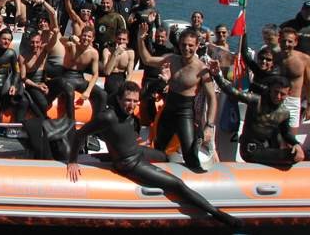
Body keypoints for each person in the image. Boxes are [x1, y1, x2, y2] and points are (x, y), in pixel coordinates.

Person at [66, 80, 242, 228]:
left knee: (165, 156)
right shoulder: (108, 117)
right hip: (130, 163)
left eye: (135, 101)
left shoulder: (129, 110)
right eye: (127, 101)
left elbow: (148, 92)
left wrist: (163, 81)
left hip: (137, 151)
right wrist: (72, 161)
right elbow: (80, 134)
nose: (131, 105)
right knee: (177, 184)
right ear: (118, 99)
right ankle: (219, 215)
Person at [137, 24, 217, 171]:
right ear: (179, 45)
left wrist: (209, 126)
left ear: (197, 46)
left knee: (190, 154)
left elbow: (212, 98)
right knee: (159, 146)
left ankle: (194, 176)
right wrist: (140, 39)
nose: (186, 48)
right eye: (184, 45)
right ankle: (156, 174)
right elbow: (147, 59)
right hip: (168, 109)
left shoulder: (201, 69)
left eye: (190, 45)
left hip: (185, 112)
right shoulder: (172, 59)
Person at [209, 62, 305, 167]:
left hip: (266, 148)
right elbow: (232, 92)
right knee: (290, 156)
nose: (278, 96)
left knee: (298, 153)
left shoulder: (284, 113)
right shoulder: (256, 101)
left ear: (288, 94)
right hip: (250, 149)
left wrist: (296, 144)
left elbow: (286, 134)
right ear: (270, 90)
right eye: (275, 92)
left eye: (282, 94)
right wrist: (217, 75)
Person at [275, 28, 310, 126]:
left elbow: (309, 84)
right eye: (283, 41)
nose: (286, 44)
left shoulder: (304, 59)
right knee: (272, 134)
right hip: (274, 101)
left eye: (290, 41)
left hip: (293, 102)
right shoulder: (274, 57)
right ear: (279, 41)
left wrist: (309, 107)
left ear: (295, 42)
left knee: (290, 134)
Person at [102, 29, 135, 97]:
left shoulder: (130, 53)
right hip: (110, 79)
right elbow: (107, 72)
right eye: (119, 39)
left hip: (122, 78)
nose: (121, 41)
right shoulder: (107, 51)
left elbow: (129, 74)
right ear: (115, 39)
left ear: (127, 41)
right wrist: (115, 53)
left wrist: (125, 88)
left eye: (124, 39)